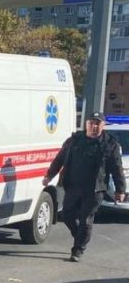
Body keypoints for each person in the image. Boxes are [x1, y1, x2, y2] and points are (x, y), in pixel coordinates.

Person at [43, 111, 126, 262]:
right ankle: (80, 236)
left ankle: (78, 250)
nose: (94, 126)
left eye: (97, 123)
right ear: (86, 124)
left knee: (85, 219)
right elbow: (60, 158)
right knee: (67, 215)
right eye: (91, 123)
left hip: (95, 189)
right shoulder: (75, 140)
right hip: (73, 185)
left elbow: (117, 167)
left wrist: (120, 190)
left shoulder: (109, 143)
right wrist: (49, 175)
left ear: (103, 125)